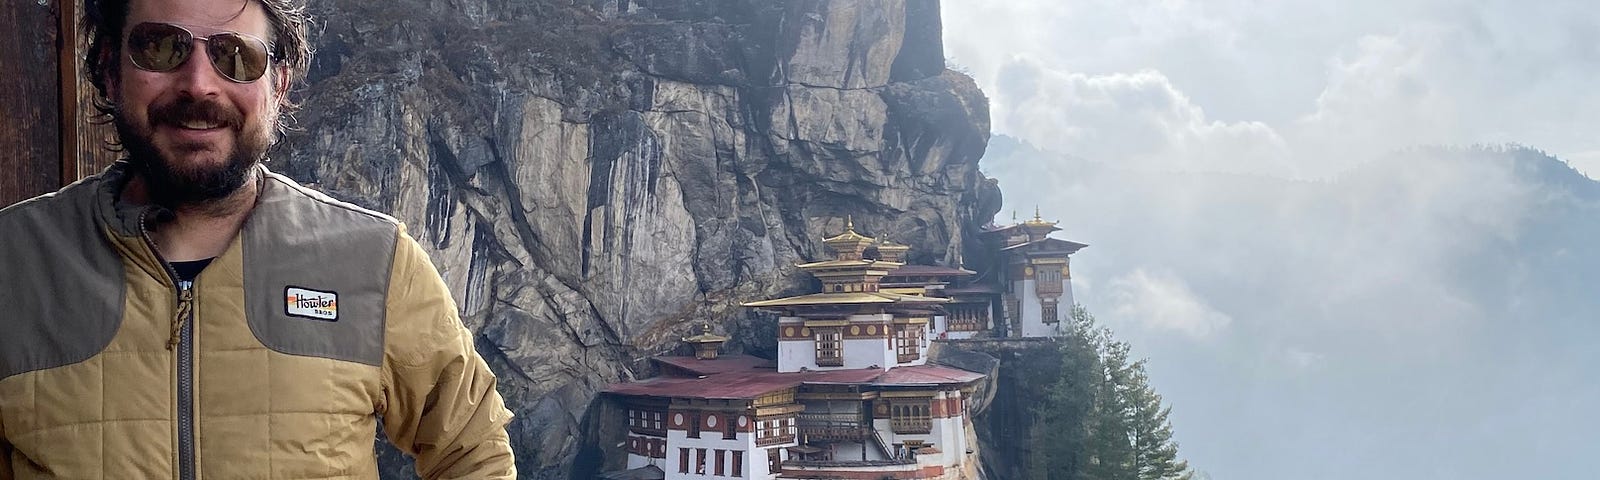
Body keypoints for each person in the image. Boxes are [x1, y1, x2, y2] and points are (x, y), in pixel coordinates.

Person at [0, 0, 517, 478]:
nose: (199, 84)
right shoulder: (14, 263)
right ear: (111, 71)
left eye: (236, 56)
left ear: (279, 86)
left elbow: (472, 451)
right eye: (160, 47)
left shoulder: (374, 262)